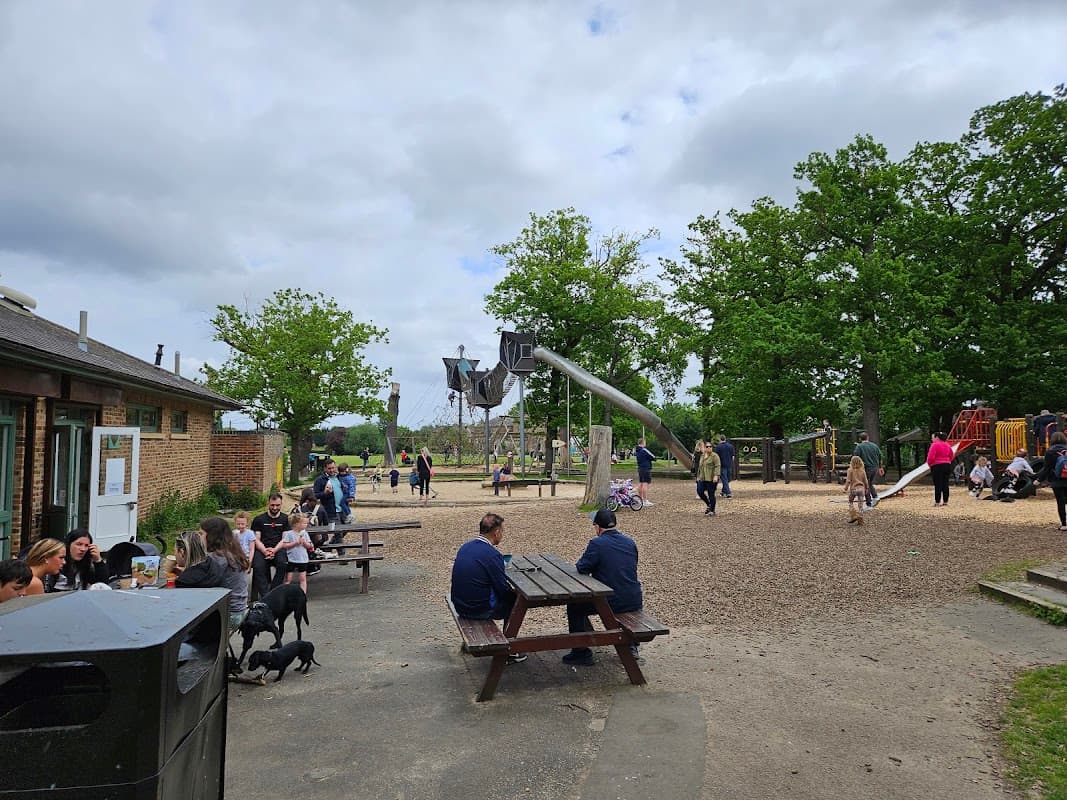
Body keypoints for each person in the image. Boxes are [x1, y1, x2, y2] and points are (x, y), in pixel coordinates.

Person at [562, 508, 643, 666]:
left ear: (598, 527)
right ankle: (631, 646)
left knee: (575, 606)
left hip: (611, 600)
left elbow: (582, 567)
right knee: (589, 603)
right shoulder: (630, 542)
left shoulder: (597, 543)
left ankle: (581, 651)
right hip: (634, 599)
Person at [449, 513, 526, 665]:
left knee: (507, 597)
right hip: (477, 609)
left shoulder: (465, 547)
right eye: (502, 531)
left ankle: (507, 647)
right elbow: (502, 588)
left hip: (459, 604)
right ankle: (508, 651)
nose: (502, 535)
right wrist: (515, 595)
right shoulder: (492, 555)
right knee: (515, 603)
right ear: (496, 532)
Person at [176, 519, 250, 633]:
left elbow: (198, 583)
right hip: (240, 609)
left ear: (211, 536)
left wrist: (184, 574)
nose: (199, 537)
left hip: (229, 615)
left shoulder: (218, 558)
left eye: (201, 534)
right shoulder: (230, 550)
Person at [251, 492, 291, 599]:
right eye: (272, 505)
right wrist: (265, 551)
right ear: (268, 504)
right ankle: (265, 595)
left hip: (278, 548)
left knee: (283, 564)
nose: (274, 507)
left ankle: (274, 591)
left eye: (277, 505)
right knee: (258, 566)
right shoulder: (259, 519)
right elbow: (256, 539)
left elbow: (285, 539)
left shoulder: (285, 519)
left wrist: (274, 550)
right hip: (262, 549)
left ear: (281, 504)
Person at [1033, 431, 1067, 531]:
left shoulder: (1050, 452)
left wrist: (1039, 480)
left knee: (1060, 502)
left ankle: (1064, 524)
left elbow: (1046, 469)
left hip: (1057, 480)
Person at [282, 512, 314, 593]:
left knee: (302, 579)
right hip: (291, 559)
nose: (306, 525)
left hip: (302, 559)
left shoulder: (305, 533)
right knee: (288, 579)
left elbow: (310, 546)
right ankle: (285, 594)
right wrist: (296, 543)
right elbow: (285, 545)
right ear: (296, 524)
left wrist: (304, 543)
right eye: (304, 523)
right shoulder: (289, 534)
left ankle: (303, 594)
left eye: (307, 523)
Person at [853, 433, 883, 509]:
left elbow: (856, 458)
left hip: (866, 468)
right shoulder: (874, 446)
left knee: (865, 485)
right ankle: (875, 497)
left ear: (860, 439)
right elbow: (880, 457)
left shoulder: (859, 447)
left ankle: (869, 504)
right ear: (868, 437)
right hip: (875, 468)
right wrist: (880, 467)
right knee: (869, 483)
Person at [927, 432, 954, 507]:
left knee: (938, 484)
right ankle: (945, 501)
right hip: (947, 465)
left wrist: (930, 464)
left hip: (937, 465)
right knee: (945, 483)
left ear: (937, 438)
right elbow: (951, 455)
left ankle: (937, 501)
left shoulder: (935, 445)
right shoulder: (947, 444)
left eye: (933, 437)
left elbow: (930, 456)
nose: (932, 439)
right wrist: (948, 461)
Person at [695, 441, 721, 516]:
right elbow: (700, 467)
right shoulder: (702, 456)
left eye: (710, 446)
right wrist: (698, 476)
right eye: (707, 446)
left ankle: (712, 511)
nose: (709, 448)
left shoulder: (715, 456)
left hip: (711, 478)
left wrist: (716, 475)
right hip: (703, 478)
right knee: (700, 491)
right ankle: (709, 504)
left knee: (711, 494)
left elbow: (717, 466)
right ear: (705, 448)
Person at [843, 455, 869, 525]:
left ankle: (853, 515)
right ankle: (860, 518)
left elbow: (848, 480)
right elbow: (866, 481)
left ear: (851, 462)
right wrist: (867, 488)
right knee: (860, 505)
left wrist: (845, 488)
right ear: (861, 462)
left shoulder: (850, 470)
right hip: (861, 489)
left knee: (850, 501)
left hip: (854, 489)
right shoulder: (862, 471)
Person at [635, 438, 656, 506]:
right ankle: (645, 501)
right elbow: (653, 457)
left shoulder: (637, 450)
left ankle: (640, 499)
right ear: (643, 442)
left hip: (640, 468)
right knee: (645, 484)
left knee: (641, 483)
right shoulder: (644, 450)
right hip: (646, 468)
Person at [714, 435, 735, 499]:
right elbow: (733, 456)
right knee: (727, 479)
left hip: (721, 465)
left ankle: (727, 493)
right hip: (729, 464)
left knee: (725, 479)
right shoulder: (730, 446)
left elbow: (716, 457)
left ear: (720, 439)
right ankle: (725, 492)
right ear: (725, 439)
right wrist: (731, 463)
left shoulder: (718, 447)